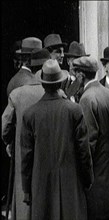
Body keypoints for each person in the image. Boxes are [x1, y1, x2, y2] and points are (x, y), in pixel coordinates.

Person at [20, 59, 93, 220]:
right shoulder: (74, 110)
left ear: (43, 84)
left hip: (41, 186)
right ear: (60, 83)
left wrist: (27, 189)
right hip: (71, 184)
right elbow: (84, 151)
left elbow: (26, 157)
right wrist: (87, 179)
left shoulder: (30, 114)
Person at [73, 56, 109, 220]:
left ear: (81, 75)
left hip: (97, 170)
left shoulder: (87, 99)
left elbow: (88, 142)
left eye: (76, 75)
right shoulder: (108, 93)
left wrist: (83, 172)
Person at [2, 48, 49, 220]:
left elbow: (5, 125)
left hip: (23, 153)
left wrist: (9, 142)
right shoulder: (56, 94)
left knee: (23, 195)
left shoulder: (17, 94)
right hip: (48, 154)